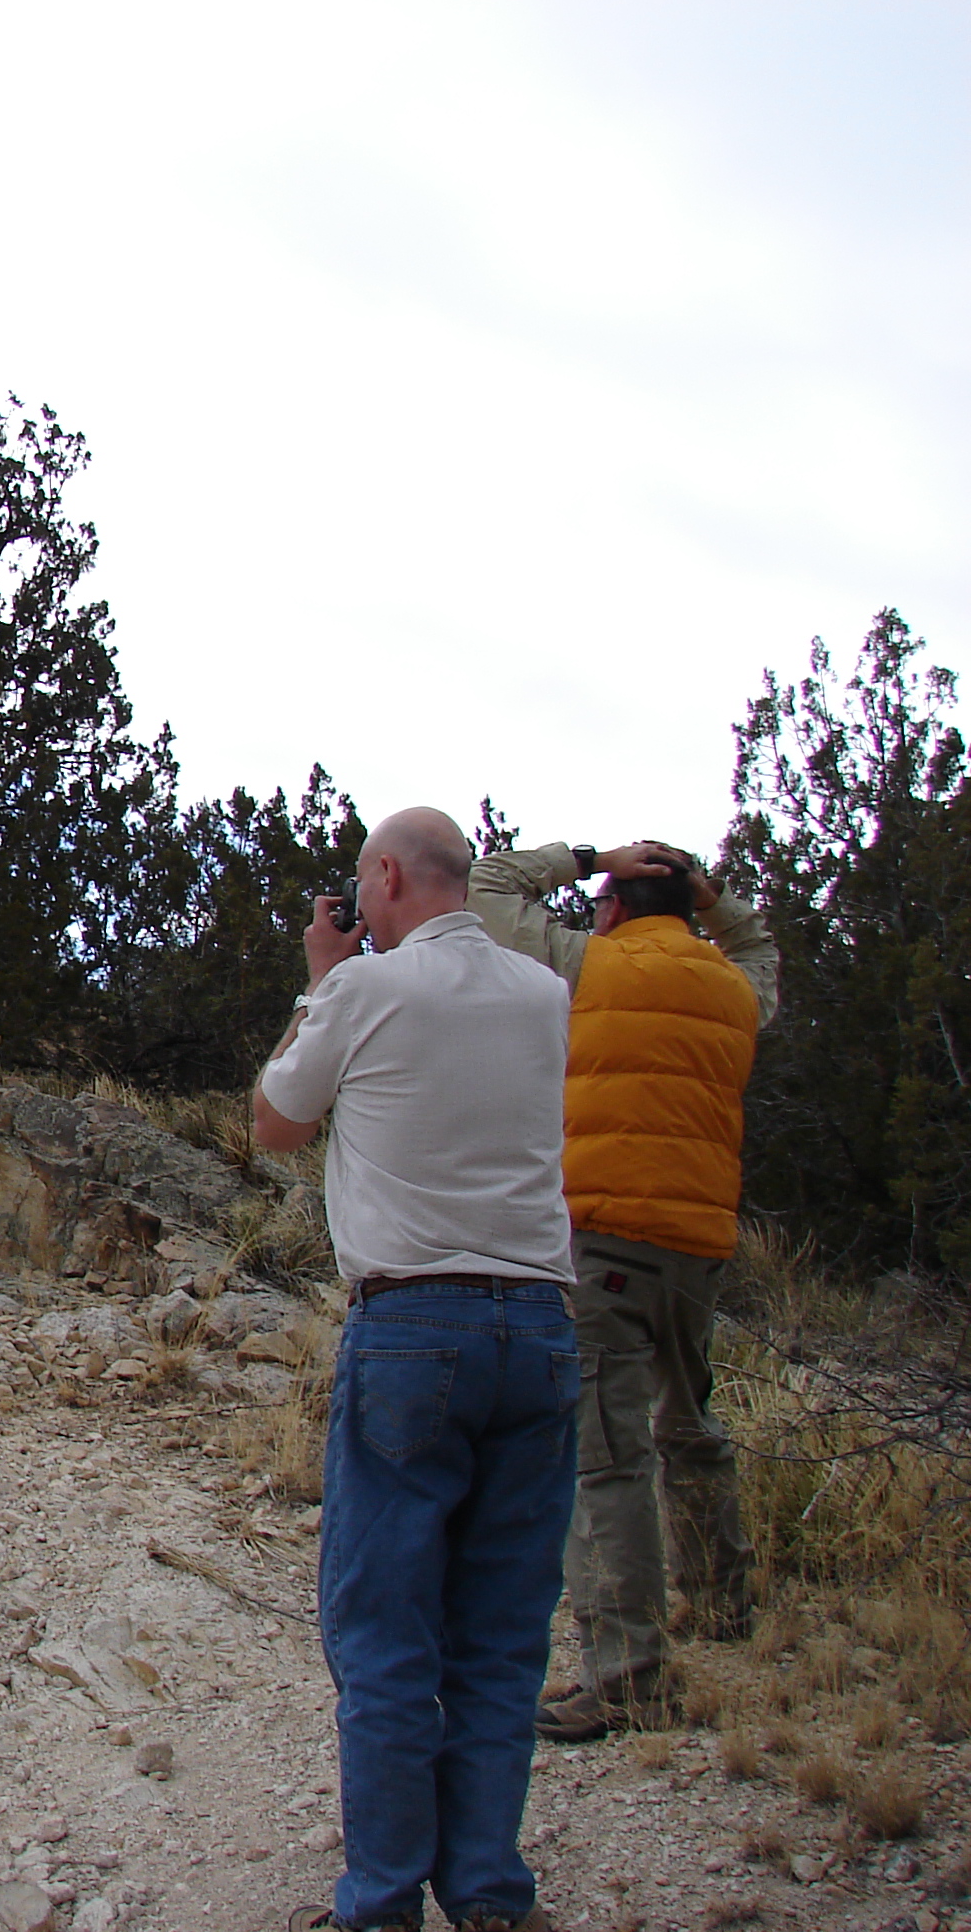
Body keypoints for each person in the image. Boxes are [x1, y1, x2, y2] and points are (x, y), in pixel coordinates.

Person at [254, 806, 579, 1932]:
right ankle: (487, 1891)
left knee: (388, 1631)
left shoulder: (363, 989)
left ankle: (384, 1901)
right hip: (540, 1326)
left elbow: (275, 1122)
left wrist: (319, 980)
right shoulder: (546, 993)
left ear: (385, 876)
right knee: (501, 1633)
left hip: (412, 1326)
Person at [466, 838, 776, 1742]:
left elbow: (490, 884)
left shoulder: (588, 965)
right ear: (686, 910)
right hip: (700, 1240)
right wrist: (712, 899)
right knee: (690, 1421)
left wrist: (592, 853)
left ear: (610, 908)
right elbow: (759, 949)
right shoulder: (732, 987)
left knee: (607, 1454)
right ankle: (723, 1604)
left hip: (604, 1233)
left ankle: (628, 1676)